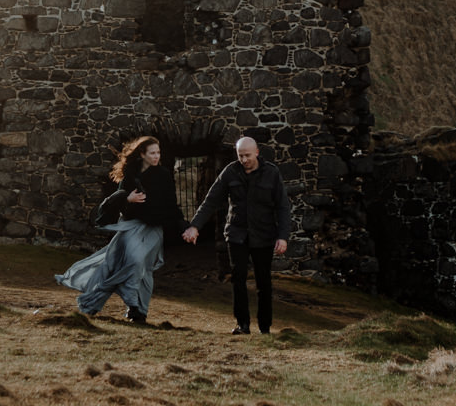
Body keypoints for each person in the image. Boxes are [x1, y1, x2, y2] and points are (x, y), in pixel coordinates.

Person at [54, 136, 182, 324]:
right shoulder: (130, 175)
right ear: (142, 154)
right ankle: (97, 303)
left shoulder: (163, 175)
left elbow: (172, 204)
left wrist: (185, 226)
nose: (156, 156)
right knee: (124, 264)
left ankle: (138, 311)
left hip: (153, 229)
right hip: (132, 227)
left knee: (142, 267)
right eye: (152, 153)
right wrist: (128, 200)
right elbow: (118, 204)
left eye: (158, 153)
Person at [183, 135, 292, 336]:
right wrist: (195, 226)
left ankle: (265, 328)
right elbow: (211, 200)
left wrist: (283, 236)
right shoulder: (230, 172)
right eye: (240, 156)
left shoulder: (272, 173)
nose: (244, 160)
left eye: (248, 155)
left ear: (257, 152)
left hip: (264, 235)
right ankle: (243, 325)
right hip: (236, 235)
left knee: (263, 282)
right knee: (238, 279)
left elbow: (283, 207)